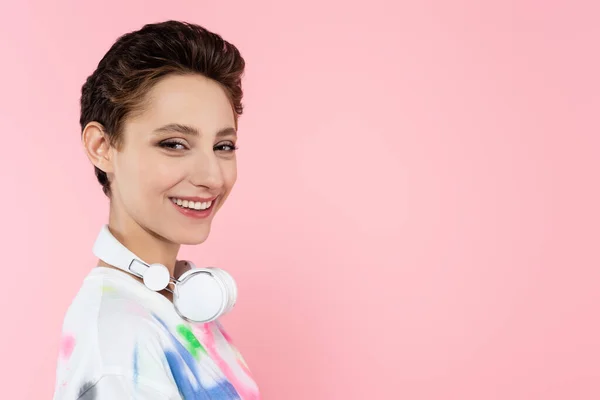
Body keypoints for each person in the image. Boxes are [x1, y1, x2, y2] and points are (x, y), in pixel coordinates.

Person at [52, 20, 261, 400]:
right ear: (102, 146)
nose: (212, 177)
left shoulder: (172, 298)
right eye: (175, 144)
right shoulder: (118, 343)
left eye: (223, 146)